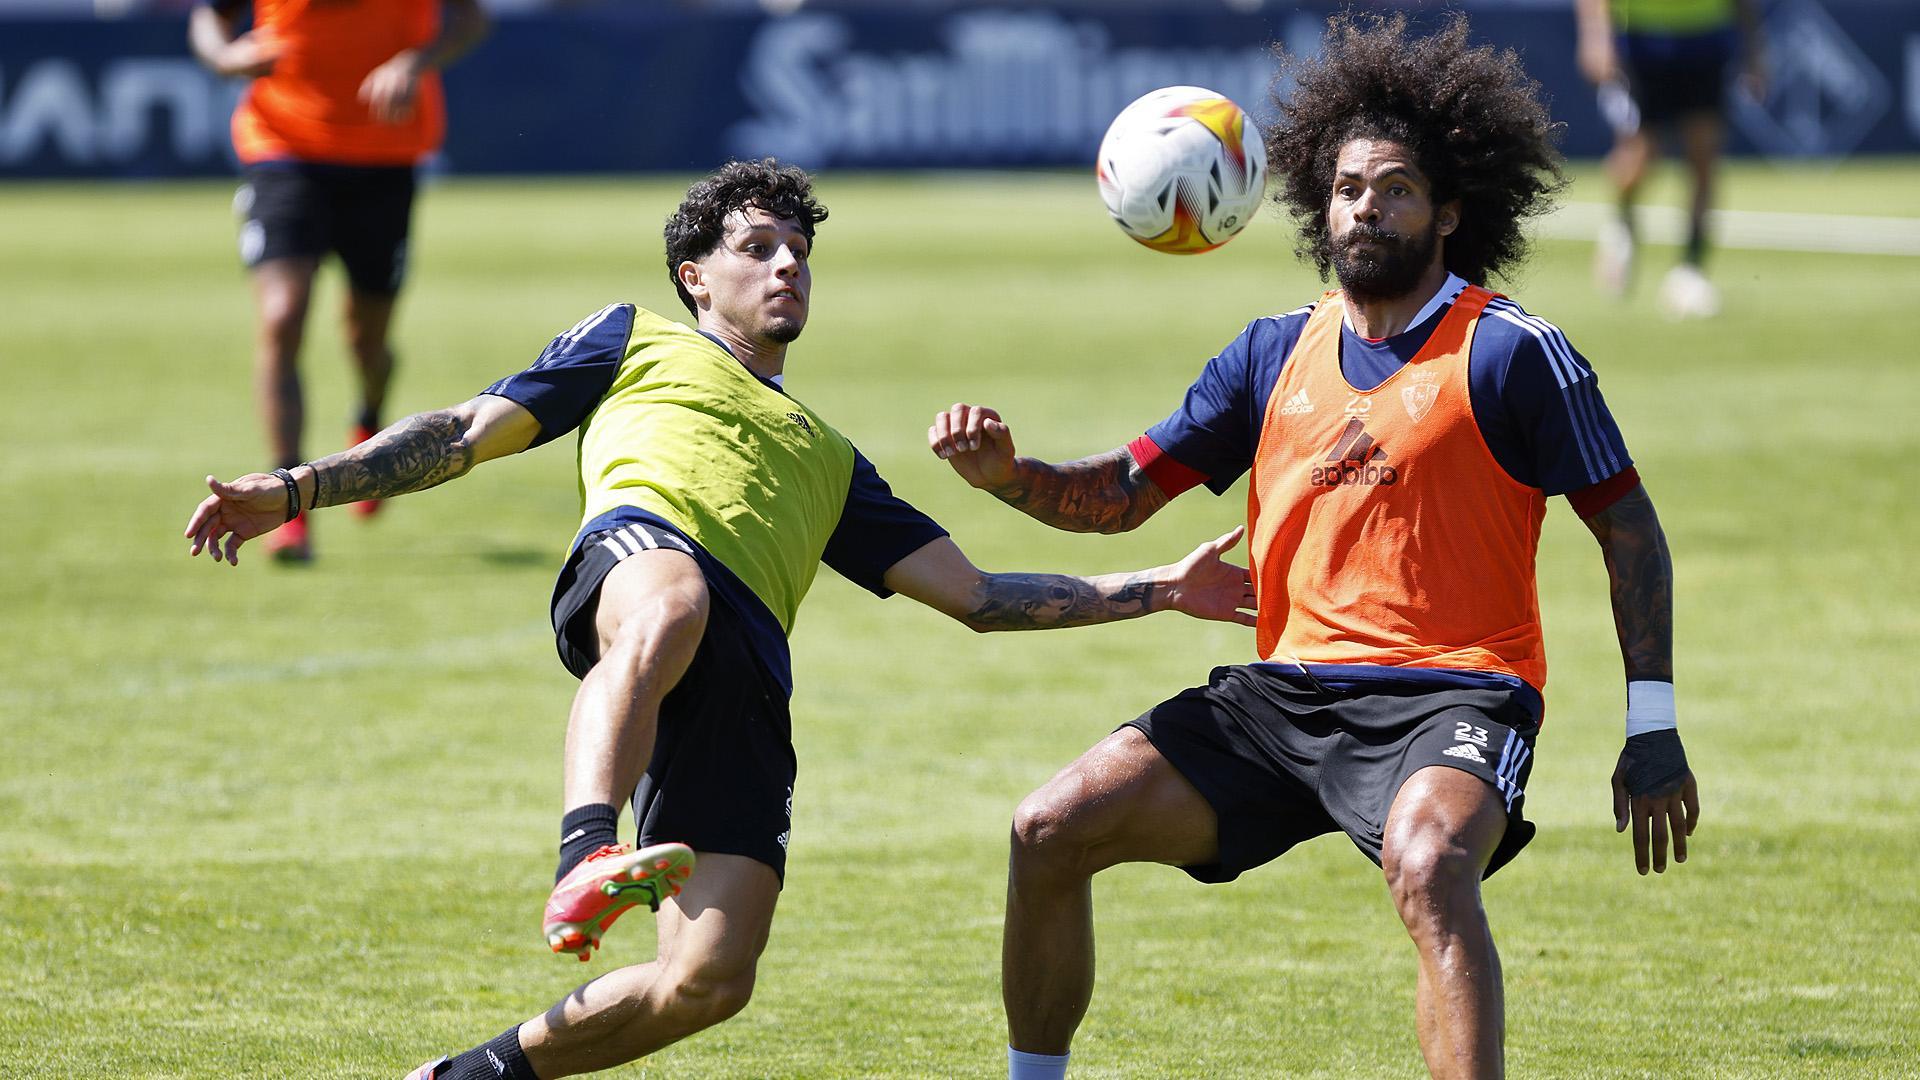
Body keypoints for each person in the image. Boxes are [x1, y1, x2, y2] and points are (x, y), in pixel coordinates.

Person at [184, 160, 1257, 1080]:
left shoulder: (834, 459)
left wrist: (1160, 587)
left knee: (709, 981)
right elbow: (463, 431)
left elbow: (976, 597)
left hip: (745, 679)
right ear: (697, 276)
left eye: (800, 250)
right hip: (643, 564)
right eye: (759, 247)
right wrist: (297, 487)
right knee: (674, 599)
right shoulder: (632, 339)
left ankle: (470, 1072)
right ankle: (583, 853)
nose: (788, 264)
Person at [928, 15, 1698, 1079]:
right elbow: (1120, 495)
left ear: (1450, 211)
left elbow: (1627, 525)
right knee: (1047, 828)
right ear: (1313, 202)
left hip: (1455, 695)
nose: (1366, 208)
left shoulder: (1512, 350)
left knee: (1429, 868)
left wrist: (1650, 724)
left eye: (1394, 188)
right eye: (1347, 189)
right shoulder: (1272, 351)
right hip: (1281, 699)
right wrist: (1010, 477)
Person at [189, 0, 489, 560]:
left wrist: (414, 62)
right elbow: (211, 17)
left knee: (366, 341)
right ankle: (285, 503)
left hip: (384, 155)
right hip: (283, 149)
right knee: (281, 318)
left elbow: (470, 19)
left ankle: (368, 421)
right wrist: (226, 57)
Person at [1575, 0, 1765, 318]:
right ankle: (1622, 222)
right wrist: (1596, 36)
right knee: (1641, 155)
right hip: (1640, 43)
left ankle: (1690, 269)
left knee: (1704, 158)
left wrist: (1755, 51)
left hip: (1707, 41)